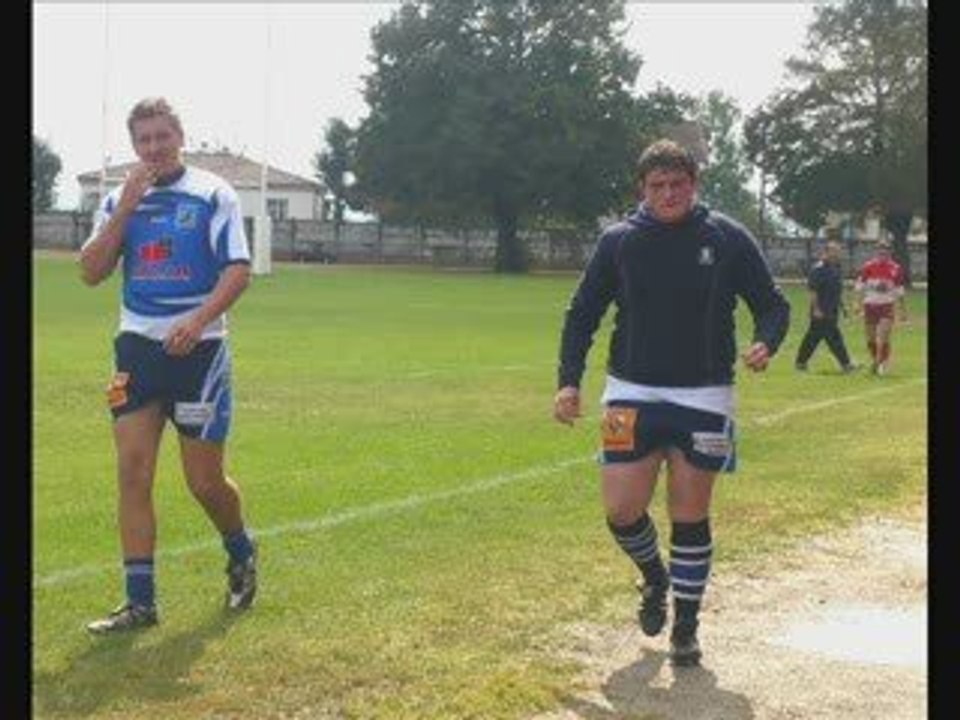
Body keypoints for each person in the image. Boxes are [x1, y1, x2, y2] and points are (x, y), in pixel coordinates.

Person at [553, 139, 790, 667]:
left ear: (694, 184)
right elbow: (582, 314)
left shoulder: (726, 237)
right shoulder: (618, 241)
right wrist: (568, 382)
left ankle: (686, 626)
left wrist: (766, 342)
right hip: (630, 391)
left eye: (677, 184)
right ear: (642, 189)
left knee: (689, 512)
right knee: (621, 509)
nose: (668, 194)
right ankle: (654, 577)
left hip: (705, 394)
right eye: (657, 186)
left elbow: (772, 304)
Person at [79, 97, 258, 633]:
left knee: (204, 482)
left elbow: (238, 269)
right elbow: (91, 271)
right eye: (144, 140)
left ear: (180, 136)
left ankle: (241, 551)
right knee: (133, 472)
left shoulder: (212, 193)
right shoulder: (119, 199)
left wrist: (199, 321)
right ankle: (140, 603)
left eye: (162, 136)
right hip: (137, 350)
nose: (154, 148)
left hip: (199, 353)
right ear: (134, 145)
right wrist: (126, 208)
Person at [794, 240, 857, 373]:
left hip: (832, 309)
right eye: (834, 251)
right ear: (826, 252)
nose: (837, 254)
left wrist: (843, 307)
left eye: (838, 251)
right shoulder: (818, 269)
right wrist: (816, 309)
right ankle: (846, 364)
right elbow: (813, 291)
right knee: (834, 337)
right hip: (821, 310)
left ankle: (800, 362)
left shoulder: (836, 268)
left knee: (813, 337)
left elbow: (837, 291)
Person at [853, 238, 908, 375]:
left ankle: (880, 363)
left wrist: (903, 310)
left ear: (890, 252)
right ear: (876, 252)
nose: (883, 252)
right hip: (870, 305)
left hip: (887, 306)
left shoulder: (896, 268)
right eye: (880, 250)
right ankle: (877, 360)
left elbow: (900, 290)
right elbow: (860, 286)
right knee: (870, 338)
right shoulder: (868, 266)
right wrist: (857, 303)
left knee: (883, 336)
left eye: (886, 250)